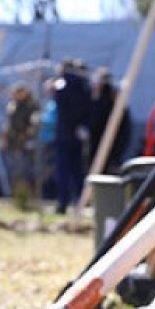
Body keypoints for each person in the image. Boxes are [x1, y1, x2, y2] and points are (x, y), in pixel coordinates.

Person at [52, 58, 91, 213]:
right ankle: (80, 201)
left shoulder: (62, 85)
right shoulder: (84, 87)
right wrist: (82, 126)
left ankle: (63, 202)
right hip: (77, 134)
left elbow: (63, 107)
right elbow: (88, 109)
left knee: (63, 169)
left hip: (64, 134)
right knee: (77, 170)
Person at [87, 67, 130, 175]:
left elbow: (97, 122)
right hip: (112, 143)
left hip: (104, 143)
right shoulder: (116, 100)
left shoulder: (104, 101)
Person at [1, 83, 39, 199]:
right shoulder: (13, 105)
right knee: (15, 170)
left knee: (26, 169)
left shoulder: (31, 106)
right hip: (13, 142)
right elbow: (9, 123)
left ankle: (29, 195)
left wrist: (30, 138)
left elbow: (34, 123)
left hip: (25, 141)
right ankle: (16, 194)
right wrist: (4, 137)